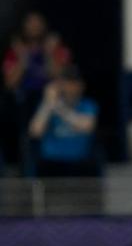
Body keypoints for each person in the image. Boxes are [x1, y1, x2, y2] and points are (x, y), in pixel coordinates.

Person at [3, 11, 71, 163]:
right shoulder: (16, 50)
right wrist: (23, 58)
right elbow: (10, 83)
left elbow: (60, 76)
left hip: (50, 100)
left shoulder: (53, 48)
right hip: (23, 101)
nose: (34, 27)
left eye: (37, 23)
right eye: (30, 23)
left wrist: (48, 53)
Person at [28, 65, 99, 177]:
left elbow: (87, 126)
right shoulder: (47, 105)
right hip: (51, 164)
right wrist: (47, 103)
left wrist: (59, 107)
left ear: (81, 85)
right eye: (67, 83)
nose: (71, 87)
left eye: (74, 83)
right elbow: (35, 131)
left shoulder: (87, 105)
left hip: (78, 163)